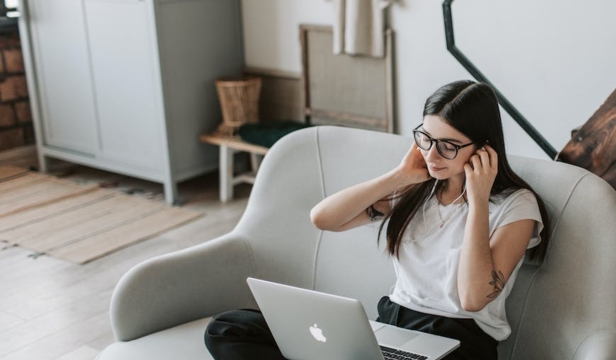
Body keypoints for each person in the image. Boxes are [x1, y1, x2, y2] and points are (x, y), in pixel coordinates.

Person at [204, 80, 550, 360]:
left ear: (483, 149)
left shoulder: (516, 206)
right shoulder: (417, 191)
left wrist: (477, 199)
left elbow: (473, 299)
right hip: (392, 325)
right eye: (426, 139)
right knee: (227, 328)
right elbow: (323, 218)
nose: (431, 154)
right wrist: (399, 176)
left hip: (460, 343)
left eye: (448, 145)